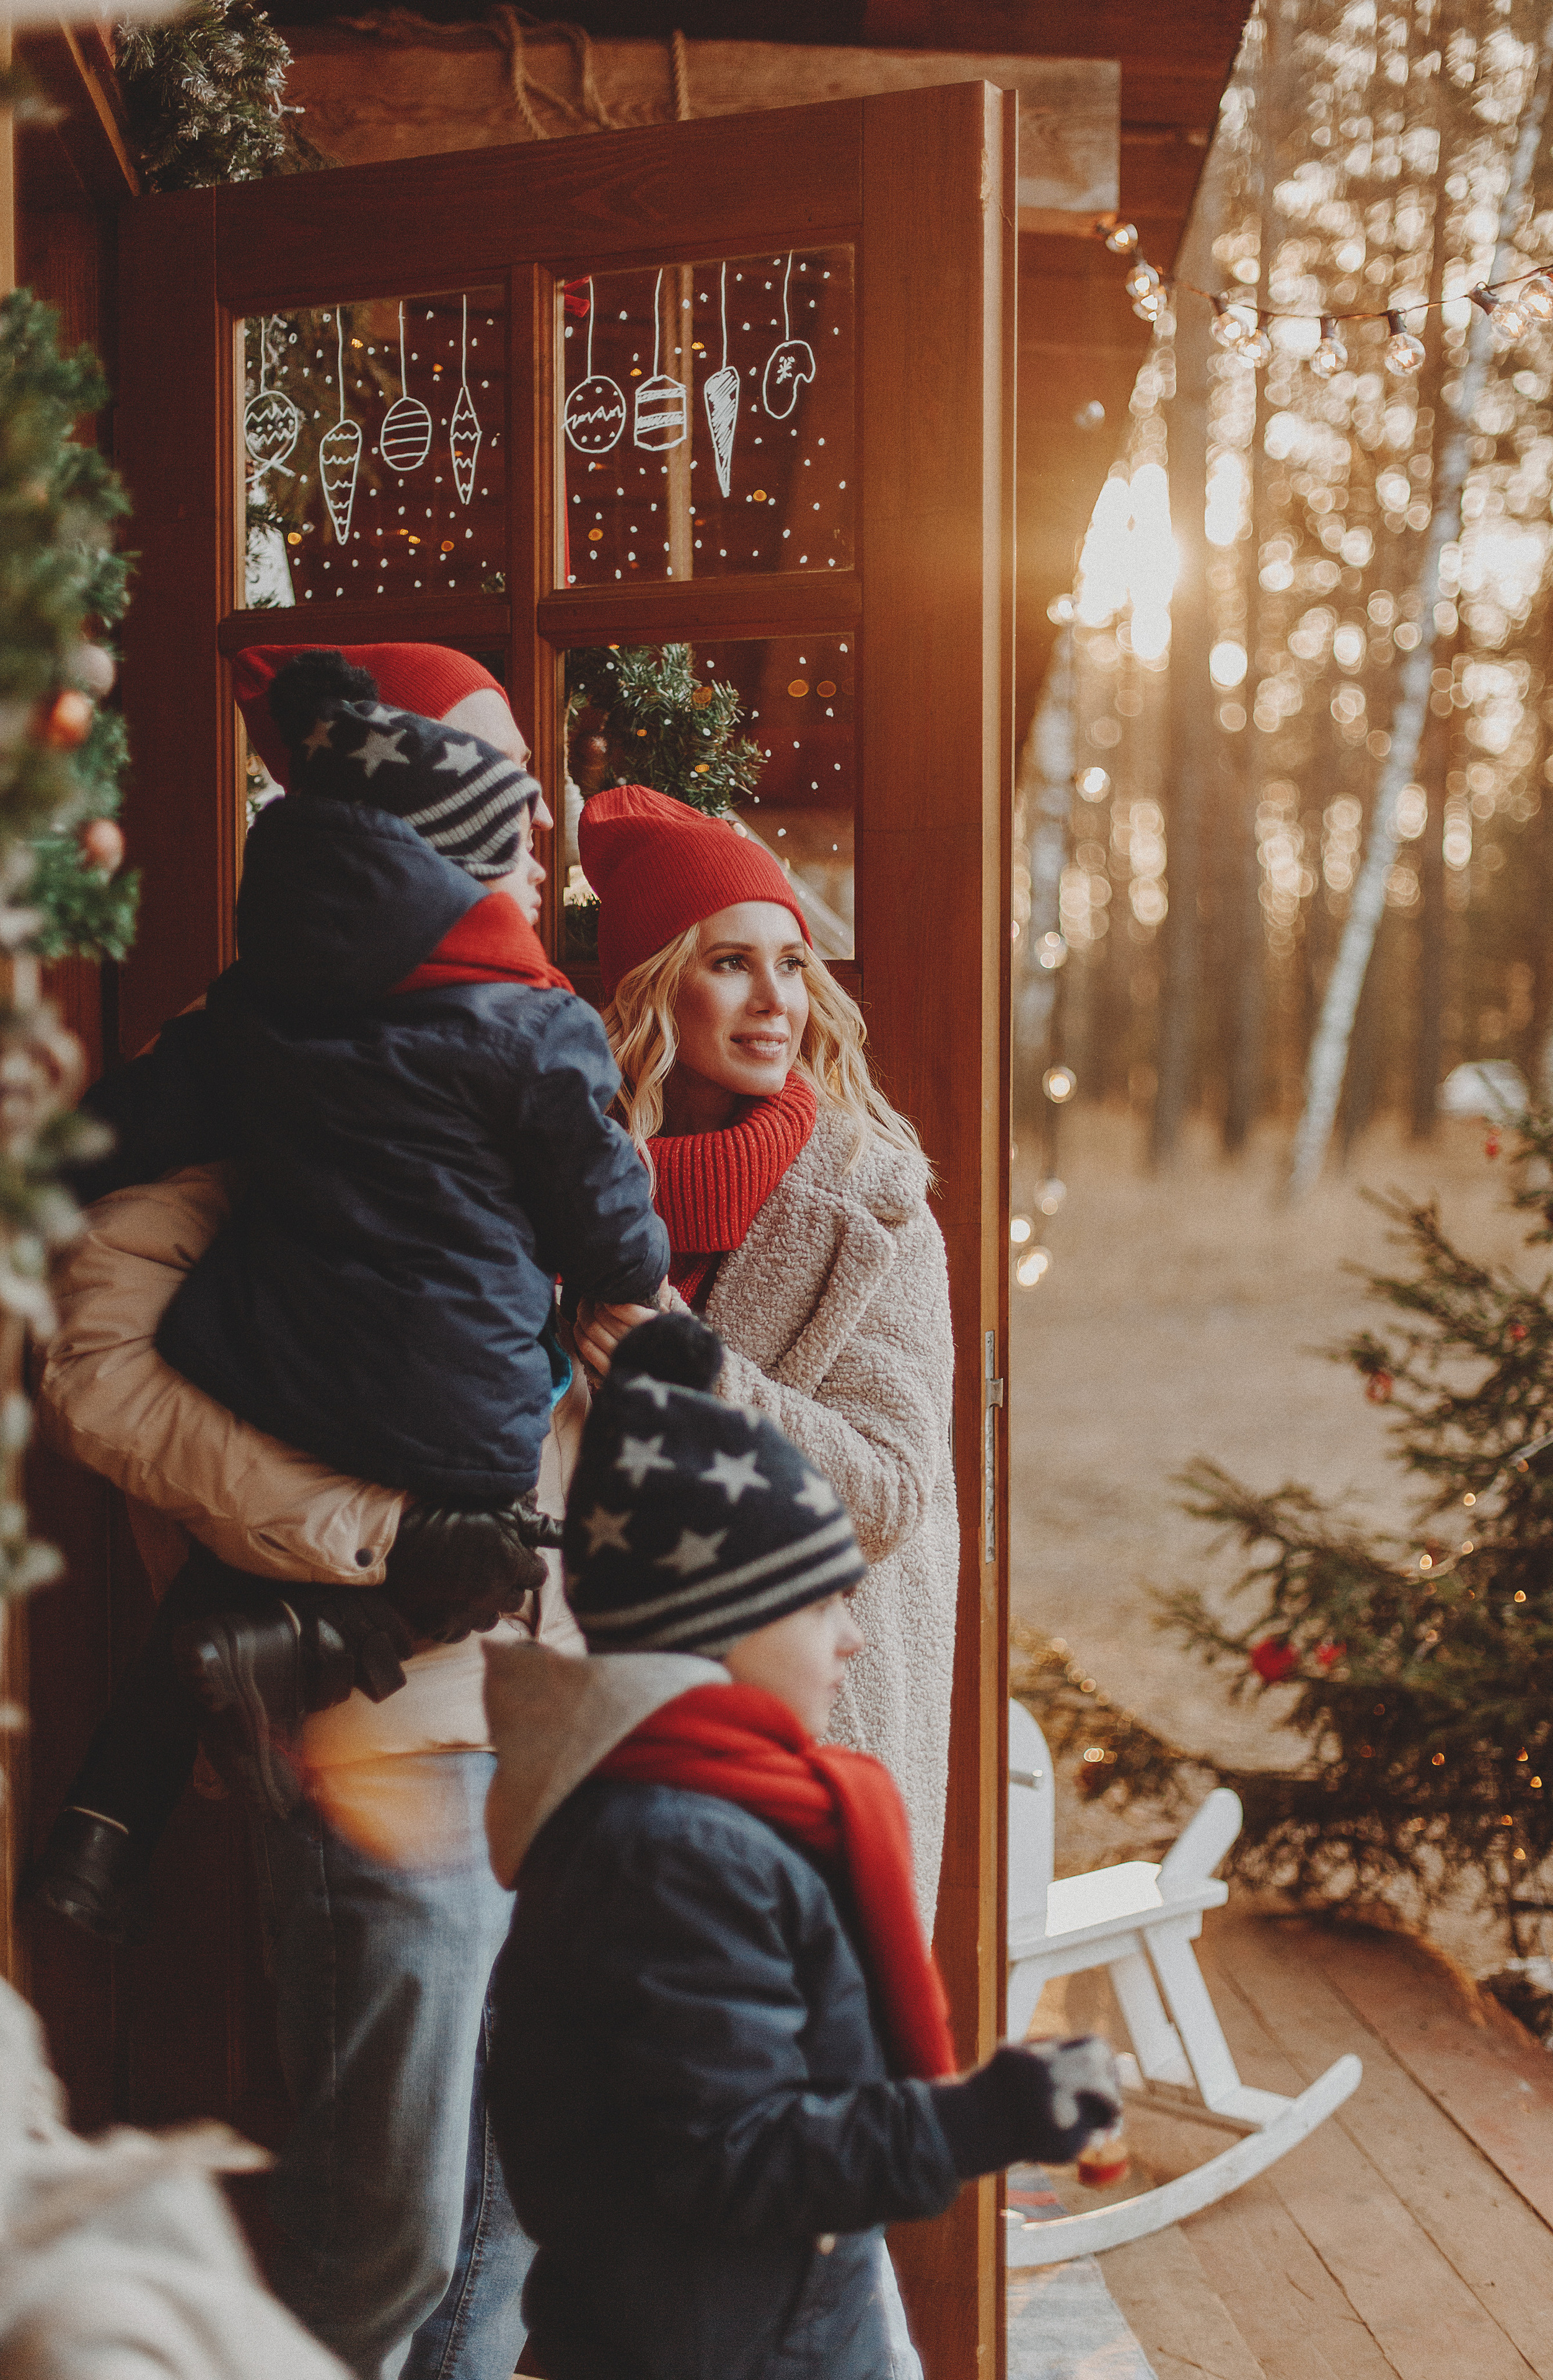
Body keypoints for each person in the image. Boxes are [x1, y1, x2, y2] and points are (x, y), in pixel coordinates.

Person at [31, 641, 665, 2380]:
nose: (540, 814)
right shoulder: (257, 1073)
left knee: (517, 2214)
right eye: (493, 771)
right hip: (378, 1699)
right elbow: (105, 1383)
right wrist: (389, 1543)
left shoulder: (520, 1044)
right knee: (385, 2237)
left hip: (555, 1702)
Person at [483, 1311, 1121, 2380]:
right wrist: (986, 2117)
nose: (854, 1637)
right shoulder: (673, 1853)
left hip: (780, 2313)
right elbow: (736, 2157)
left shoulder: (711, 1809)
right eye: (826, 1603)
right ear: (722, 1620)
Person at [569, 783, 960, 1926]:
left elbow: (888, 1492)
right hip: (609, 1718)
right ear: (655, 988)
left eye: (791, 965)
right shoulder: (568, 1196)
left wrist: (699, 1376)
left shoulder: (875, 1207)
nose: (775, 1000)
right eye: (731, 964)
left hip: (807, 1728)